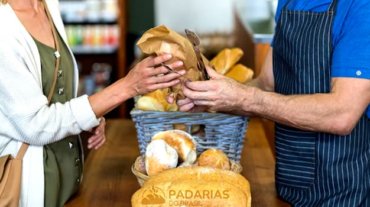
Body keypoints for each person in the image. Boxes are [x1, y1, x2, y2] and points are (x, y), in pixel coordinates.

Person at [178, 0, 370, 206]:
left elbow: (342, 114)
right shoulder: (289, 3)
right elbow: (266, 84)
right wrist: (212, 99)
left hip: (343, 194)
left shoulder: (361, 7)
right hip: (289, 185)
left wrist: (243, 97)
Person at [0, 0, 184, 206]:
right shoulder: (3, 25)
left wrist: (90, 114)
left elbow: (58, 91)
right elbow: (35, 124)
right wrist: (127, 86)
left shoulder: (48, 5)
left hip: (71, 182)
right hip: (30, 189)